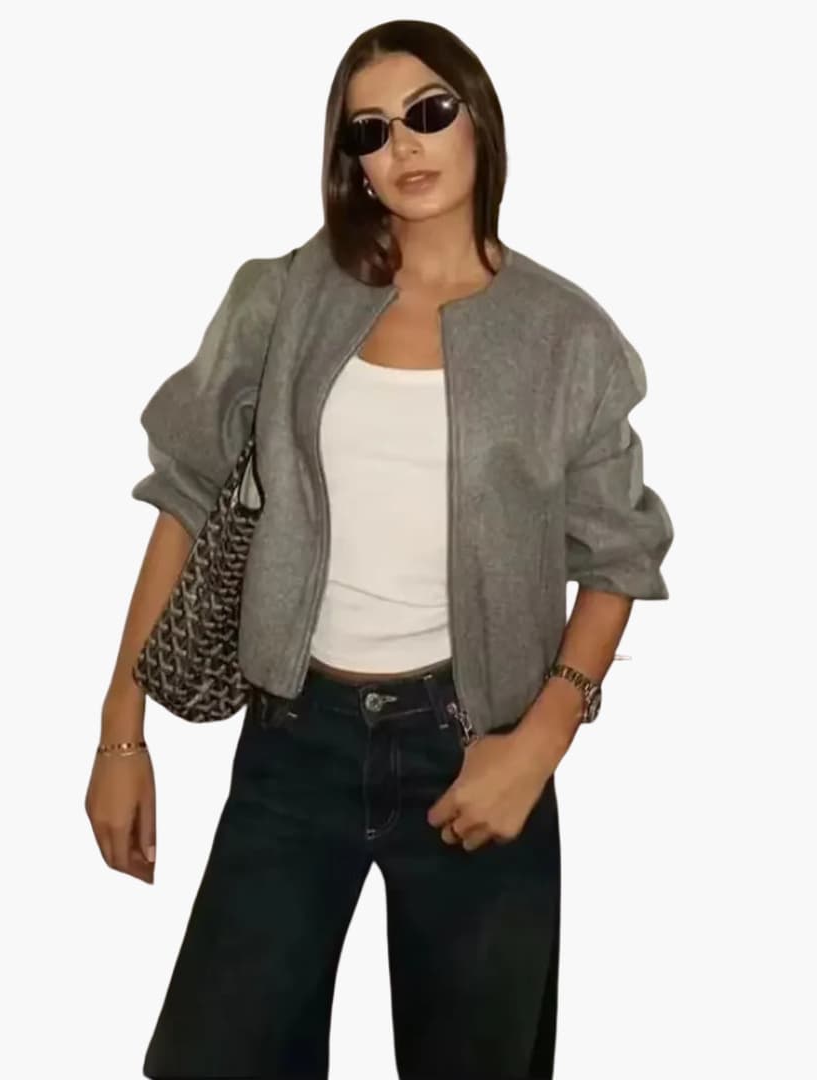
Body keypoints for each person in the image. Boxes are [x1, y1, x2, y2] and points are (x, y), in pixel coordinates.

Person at [86, 18, 674, 1080]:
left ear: (478, 119)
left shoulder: (565, 335)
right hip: (292, 743)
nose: (401, 144)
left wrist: (538, 745)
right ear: (349, 159)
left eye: (427, 112)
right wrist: (120, 733)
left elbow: (619, 555)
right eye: (369, 129)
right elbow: (183, 497)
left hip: (475, 746)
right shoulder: (284, 296)